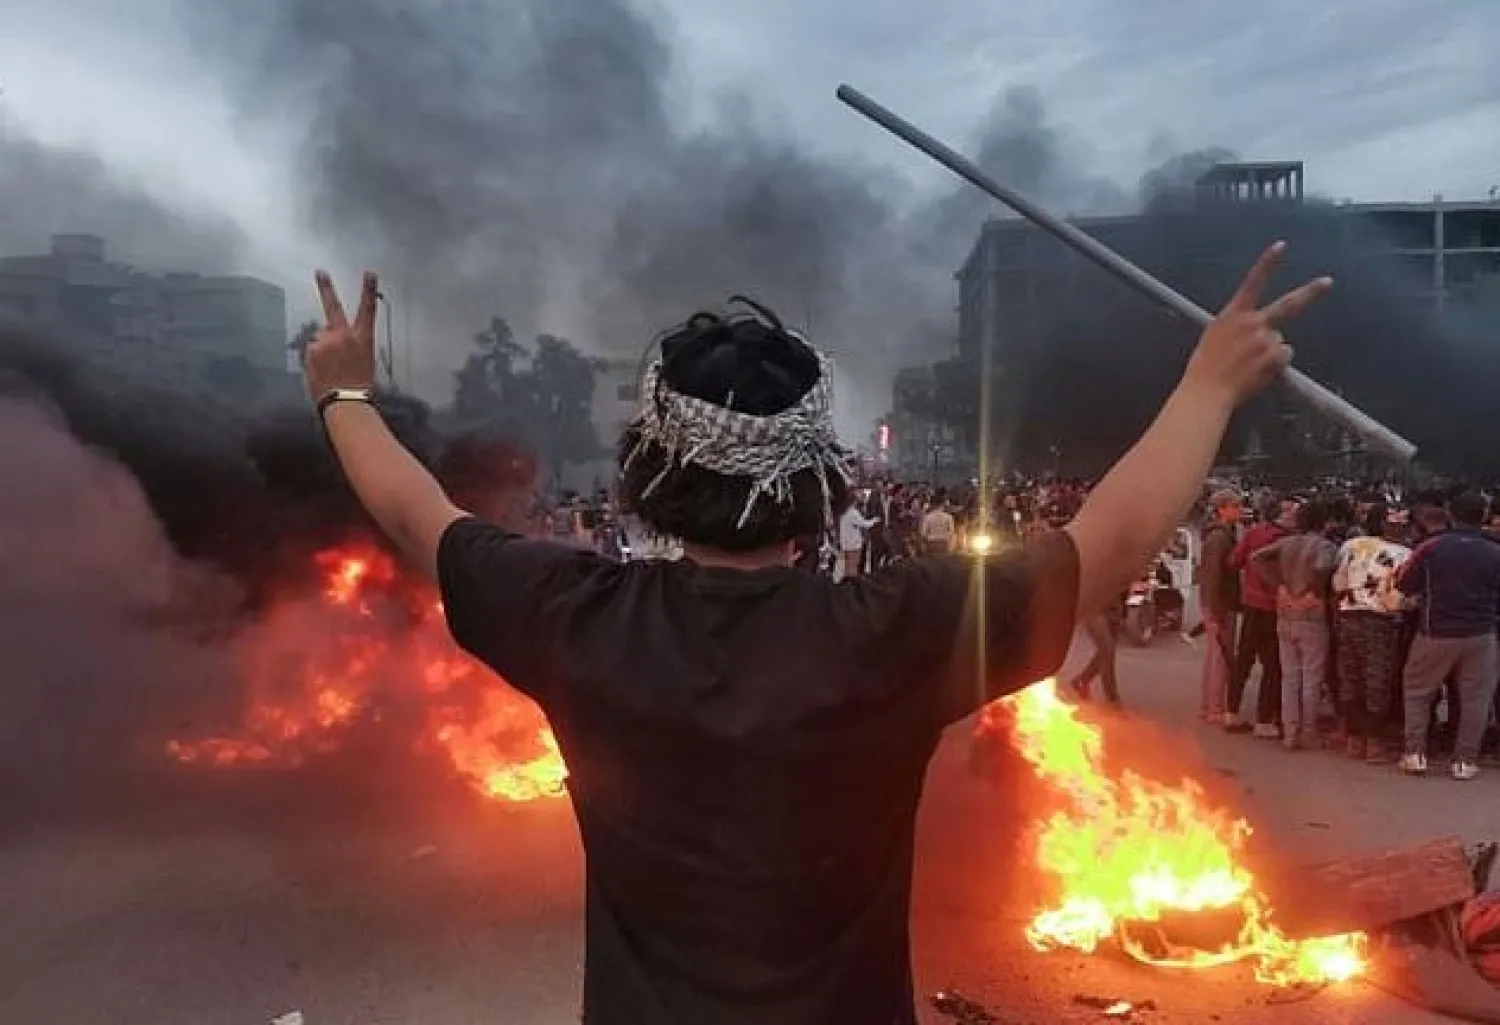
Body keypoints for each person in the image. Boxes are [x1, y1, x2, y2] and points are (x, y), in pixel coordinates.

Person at [300, 244, 1326, 1025]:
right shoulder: (898, 631)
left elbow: (416, 516)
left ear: (649, 470)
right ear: (819, 480)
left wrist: (343, 394)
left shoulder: (574, 616)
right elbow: (1110, 541)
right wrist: (1207, 387)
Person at [1395, 491, 1500, 781]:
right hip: (1481, 634)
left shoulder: (1431, 547)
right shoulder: (1495, 551)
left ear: (1451, 514)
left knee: (1417, 691)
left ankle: (1415, 754)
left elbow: (1404, 582)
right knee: (1476, 699)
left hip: (1435, 632)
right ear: (1484, 516)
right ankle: (1465, 761)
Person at [1252, 500, 1339, 751]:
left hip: (1285, 614)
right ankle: (1308, 731)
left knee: (1289, 678)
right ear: (1324, 522)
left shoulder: (1286, 543)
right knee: (1311, 677)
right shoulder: (1325, 546)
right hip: (1312, 616)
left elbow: (1255, 557)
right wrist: (1313, 592)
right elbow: (1322, 566)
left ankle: (1290, 733)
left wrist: (1279, 585)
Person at [1331, 504, 1410, 762]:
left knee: (1351, 677)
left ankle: (1354, 738)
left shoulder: (1351, 546)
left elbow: (1338, 583)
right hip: (1380, 623)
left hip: (1348, 617)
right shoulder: (1404, 554)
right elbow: (1401, 598)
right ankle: (1373, 742)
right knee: (1378, 680)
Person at [1228, 492, 1290, 736]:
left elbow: (1234, 561)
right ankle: (1264, 720)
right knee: (1272, 665)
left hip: (1251, 604)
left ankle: (1231, 713)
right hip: (1274, 608)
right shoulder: (1288, 540)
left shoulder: (1253, 534)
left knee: (1243, 659)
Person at [1198, 489, 1243, 724]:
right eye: (1235, 506)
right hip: (1220, 604)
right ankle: (1214, 708)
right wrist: (1214, 610)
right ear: (1221, 510)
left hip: (1217, 603)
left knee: (1214, 656)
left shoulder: (1220, 534)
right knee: (1220, 658)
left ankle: (1208, 705)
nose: (1240, 510)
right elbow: (1212, 575)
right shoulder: (1219, 538)